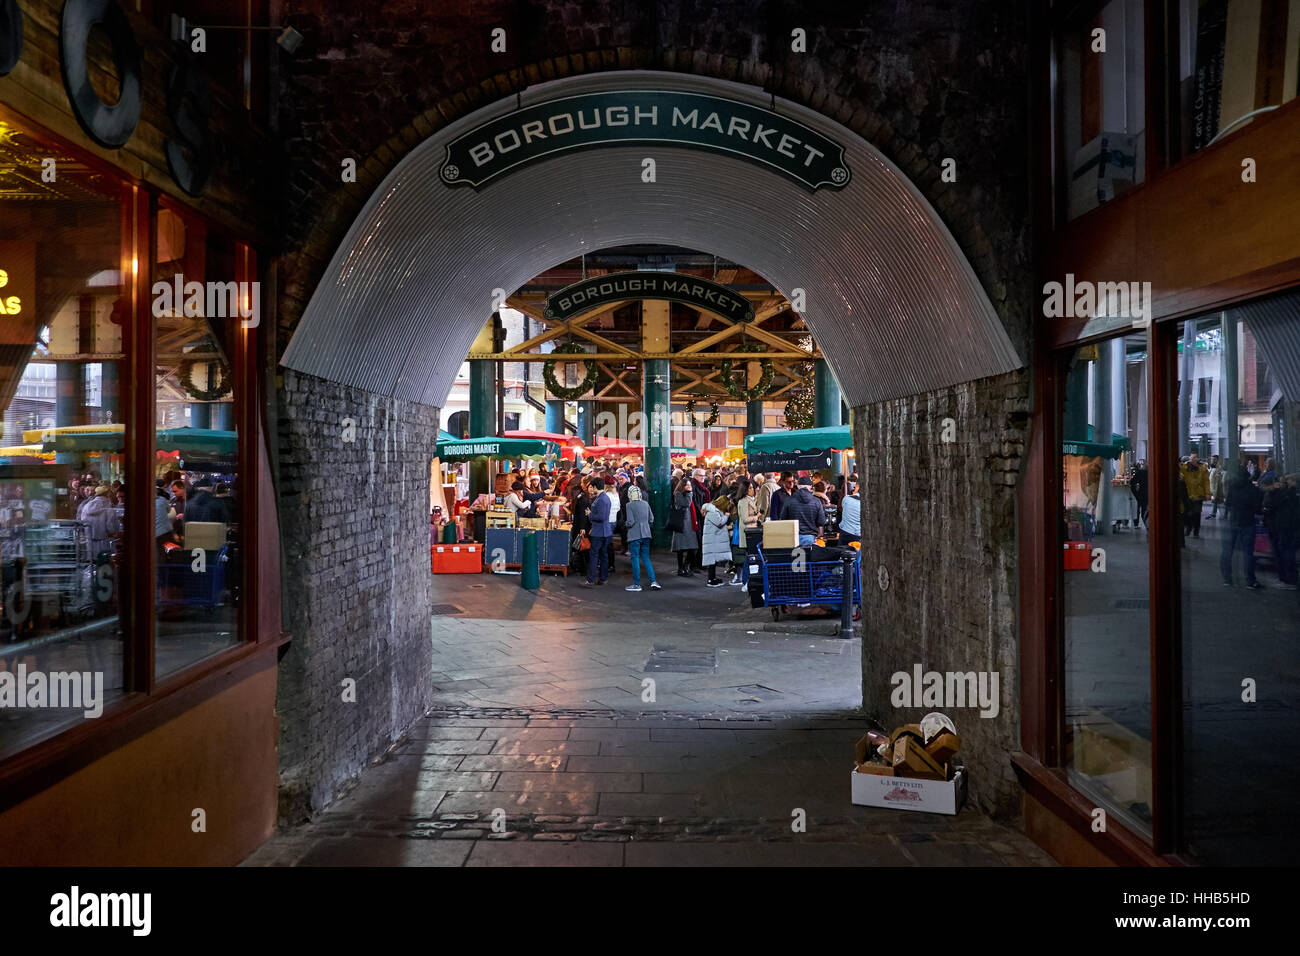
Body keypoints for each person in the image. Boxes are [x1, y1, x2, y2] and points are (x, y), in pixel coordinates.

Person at [1221, 462, 1263, 588]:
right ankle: (1250, 580)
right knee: (1248, 552)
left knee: (1227, 552)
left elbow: (1228, 504)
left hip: (1233, 521)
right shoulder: (1253, 490)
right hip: (1248, 522)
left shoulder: (1233, 488)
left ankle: (1227, 579)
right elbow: (1258, 508)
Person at [1261, 474, 1298, 589]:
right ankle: (1287, 578)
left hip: (1281, 528)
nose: (1281, 484)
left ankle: (1288, 580)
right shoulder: (1284, 495)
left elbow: (1269, 508)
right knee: (1283, 553)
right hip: (1281, 528)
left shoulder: (1281, 496)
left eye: (1284, 482)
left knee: (1284, 553)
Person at [623, 485, 660, 591]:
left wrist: (625, 524)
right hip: (646, 534)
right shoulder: (646, 504)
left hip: (635, 535)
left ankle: (637, 584)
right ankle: (654, 581)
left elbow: (630, 522)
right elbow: (651, 519)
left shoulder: (629, 505)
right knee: (646, 558)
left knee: (635, 558)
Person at [582, 477, 613, 587]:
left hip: (599, 533)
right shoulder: (605, 498)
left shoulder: (601, 499)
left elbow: (601, 517)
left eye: (592, 487)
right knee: (603, 556)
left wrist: (589, 514)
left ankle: (590, 580)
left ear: (595, 487)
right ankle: (603, 578)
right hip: (605, 532)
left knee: (594, 556)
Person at [783, 476, 827, 547]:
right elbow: (821, 522)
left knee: (794, 558)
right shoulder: (816, 501)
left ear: (797, 486)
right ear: (810, 486)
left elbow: (783, 519)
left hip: (793, 538)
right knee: (808, 557)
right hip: (810, 538)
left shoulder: (789, 500)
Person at [669, 475, 699, 576]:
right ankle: (681, 568)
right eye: (687, 485)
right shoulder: (678, 494)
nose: (689, 487)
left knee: (693, 548)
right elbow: (686, 503)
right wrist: (690, 493)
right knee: (680, 549)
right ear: (682, 486)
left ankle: (685, 566)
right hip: (682, 524)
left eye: (690, 485)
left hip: (690, 524)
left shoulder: (687, 494)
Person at [700, 494, 732, 587]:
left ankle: (713, 578)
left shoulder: (714, 510)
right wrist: (726, 515)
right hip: (712, 539)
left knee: (713, 561)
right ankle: (710, 580)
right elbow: (719, 522)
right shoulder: (713, 512)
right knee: (711, 561)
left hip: (713, 538)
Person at [732, 479, 759, 586]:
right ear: (746, 490)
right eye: (751, 488)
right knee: (748, 557)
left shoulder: (750, 500)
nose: (753, 489)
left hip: (752, 531)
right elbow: (745, 519)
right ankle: (745, 580)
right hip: (747, 533)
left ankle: (747, 580)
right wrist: (757, 517)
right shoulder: (743, 501)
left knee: (750, 557)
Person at [1180, 453, 1209, 538]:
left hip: (1197, 495)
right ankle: (1191, 528)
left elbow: (1206, 482)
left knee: (1196, 513)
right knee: (1190, 513)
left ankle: (1194, 529)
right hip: (1189, 495)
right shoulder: (1184, 469)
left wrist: (1207, 493)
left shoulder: (1202, 469)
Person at [838, 482, 861, 546]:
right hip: (859, 534)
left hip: (845, 532)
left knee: (842, 553)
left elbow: (843, 509)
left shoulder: (846, 498)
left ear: (857, 487)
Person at [1130, 460, 1149, 529]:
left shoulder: (1140, 473)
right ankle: (1146, 523)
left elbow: (1132, 483)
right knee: (1145, 509)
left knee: (1138, 508)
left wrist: (1135, 492)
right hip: (1147, 494)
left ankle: (1137, 523)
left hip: (1140, 493)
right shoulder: (1151, 473)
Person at [1207, 455, 1224, 519]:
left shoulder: (1218, 468)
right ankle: (1213, 513)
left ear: (1217, 459)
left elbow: (1217, 481)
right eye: (1212, 459)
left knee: (1217, 501)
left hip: (1216, 488)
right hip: (1213, 487)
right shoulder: (1213, 467)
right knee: (1215, 501)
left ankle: (1217, 513)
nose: (1212, 460)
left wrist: (1215, 490)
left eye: (1214, 459)